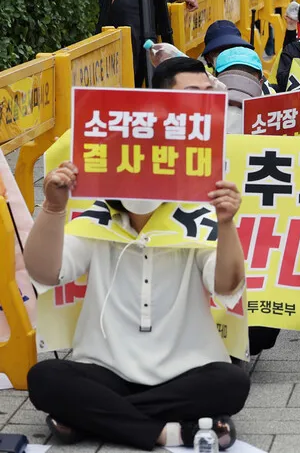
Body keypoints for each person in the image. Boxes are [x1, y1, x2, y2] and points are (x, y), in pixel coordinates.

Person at [25, 56, 249, 451]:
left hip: (186, 369)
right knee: (46, 379)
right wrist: (53, 207)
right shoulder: (97, 217)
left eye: (207, 95)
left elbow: (226, 283)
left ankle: (92, 417)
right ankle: (169, 431)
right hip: (105, 368)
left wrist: (228, 223)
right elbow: (45, 272)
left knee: (231, 383)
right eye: (189, 96)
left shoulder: (198, 211)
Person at [215, 46, 268, 134]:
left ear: (261, 82)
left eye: (248, 75)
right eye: (230, 74)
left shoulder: (272, 111)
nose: (239, 81)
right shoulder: (203, 110)